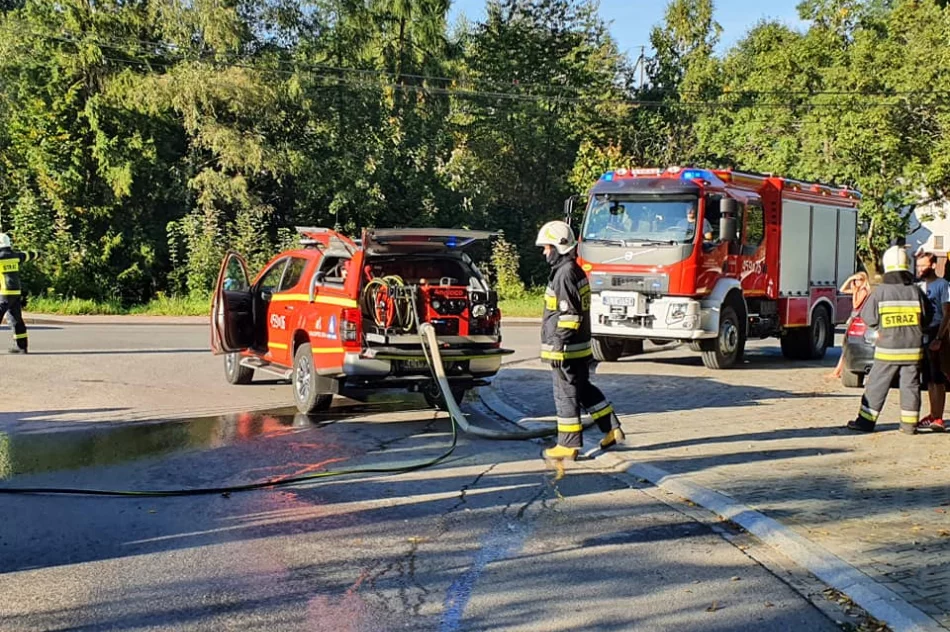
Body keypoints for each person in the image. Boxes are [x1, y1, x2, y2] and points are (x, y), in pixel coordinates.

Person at [535, 220, 624, 461]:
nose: (545, 253)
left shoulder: (564, 275)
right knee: (583, 389)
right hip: (579, 347)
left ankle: (568, 444)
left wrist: (557, 346)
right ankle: (611, 429)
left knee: (565, 395)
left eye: (546, 247)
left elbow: (569, 316)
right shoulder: (575, 270)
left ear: (558, 247)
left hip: (566, 350)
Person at [847, 245, 931, 435]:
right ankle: (909, 426)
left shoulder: (881, 291)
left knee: (877, 385)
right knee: (911, 386)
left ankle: (865, 423)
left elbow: (868, 316)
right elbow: (928, 315)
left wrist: (881, 329)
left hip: (888, 350)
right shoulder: (915, 291)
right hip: (913, 350)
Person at [915, 252, 950, 432]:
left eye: (924, 265)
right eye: (918, 266)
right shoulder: (918, 286)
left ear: (934, 265)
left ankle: (939, 417)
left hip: (937, 332)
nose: (920, 269)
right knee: (927, 378)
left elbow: (947, 314)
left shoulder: (943, 286)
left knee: (938, 377)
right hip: (922, 332)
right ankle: (932, 413)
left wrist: (939, 338)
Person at [827, 271, 871, 379]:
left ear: (864, 280)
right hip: (853, 317)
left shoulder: (864, 291)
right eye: (855, 280)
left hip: (858, 318)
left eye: (859, 279)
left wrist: (855, 291)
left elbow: (856, 304)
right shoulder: (858, 290)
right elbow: (842, 290)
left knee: (846, 346)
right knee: (845, 346)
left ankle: (837, 371)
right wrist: (849, 279)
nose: (857, 282)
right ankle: (837, 371)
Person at [0, 233, 36, 354]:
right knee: (16, 319)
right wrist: (37, 254)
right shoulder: (15, 256)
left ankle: (21, 347)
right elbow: (28, 255)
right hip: (16, 292)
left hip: (4, 292)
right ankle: (22, 347)